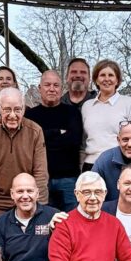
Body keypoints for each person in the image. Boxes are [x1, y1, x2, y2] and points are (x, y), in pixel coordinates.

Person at [0, 87, 48, 222]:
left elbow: (40, 173)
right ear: (0, 108)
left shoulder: (35, 131)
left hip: (25, 197)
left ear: (24, 108)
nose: (12, 115)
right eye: (7, 110)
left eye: (17, 110)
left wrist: (39, 206)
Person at [26, 70, 84, 211]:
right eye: (47, 85)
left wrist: (44, 137)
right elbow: (29, 145)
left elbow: (74, 141)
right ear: (40, 88)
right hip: (40, 181)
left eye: (56, 85)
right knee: (43, 225)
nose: (52, 89)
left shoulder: (72, 113)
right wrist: (58, 132)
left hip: (68, 179)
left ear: (61, 88)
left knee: (71, 223)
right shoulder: (30, 116)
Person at [80, 59, 131, 169]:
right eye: (102, 75)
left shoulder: (129, 103)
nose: (107, 79)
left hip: (120, 163)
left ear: (117, 80)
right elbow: (82, 140)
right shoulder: (87, 106)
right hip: (91, 165)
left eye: (111, 75)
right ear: (96, 80)